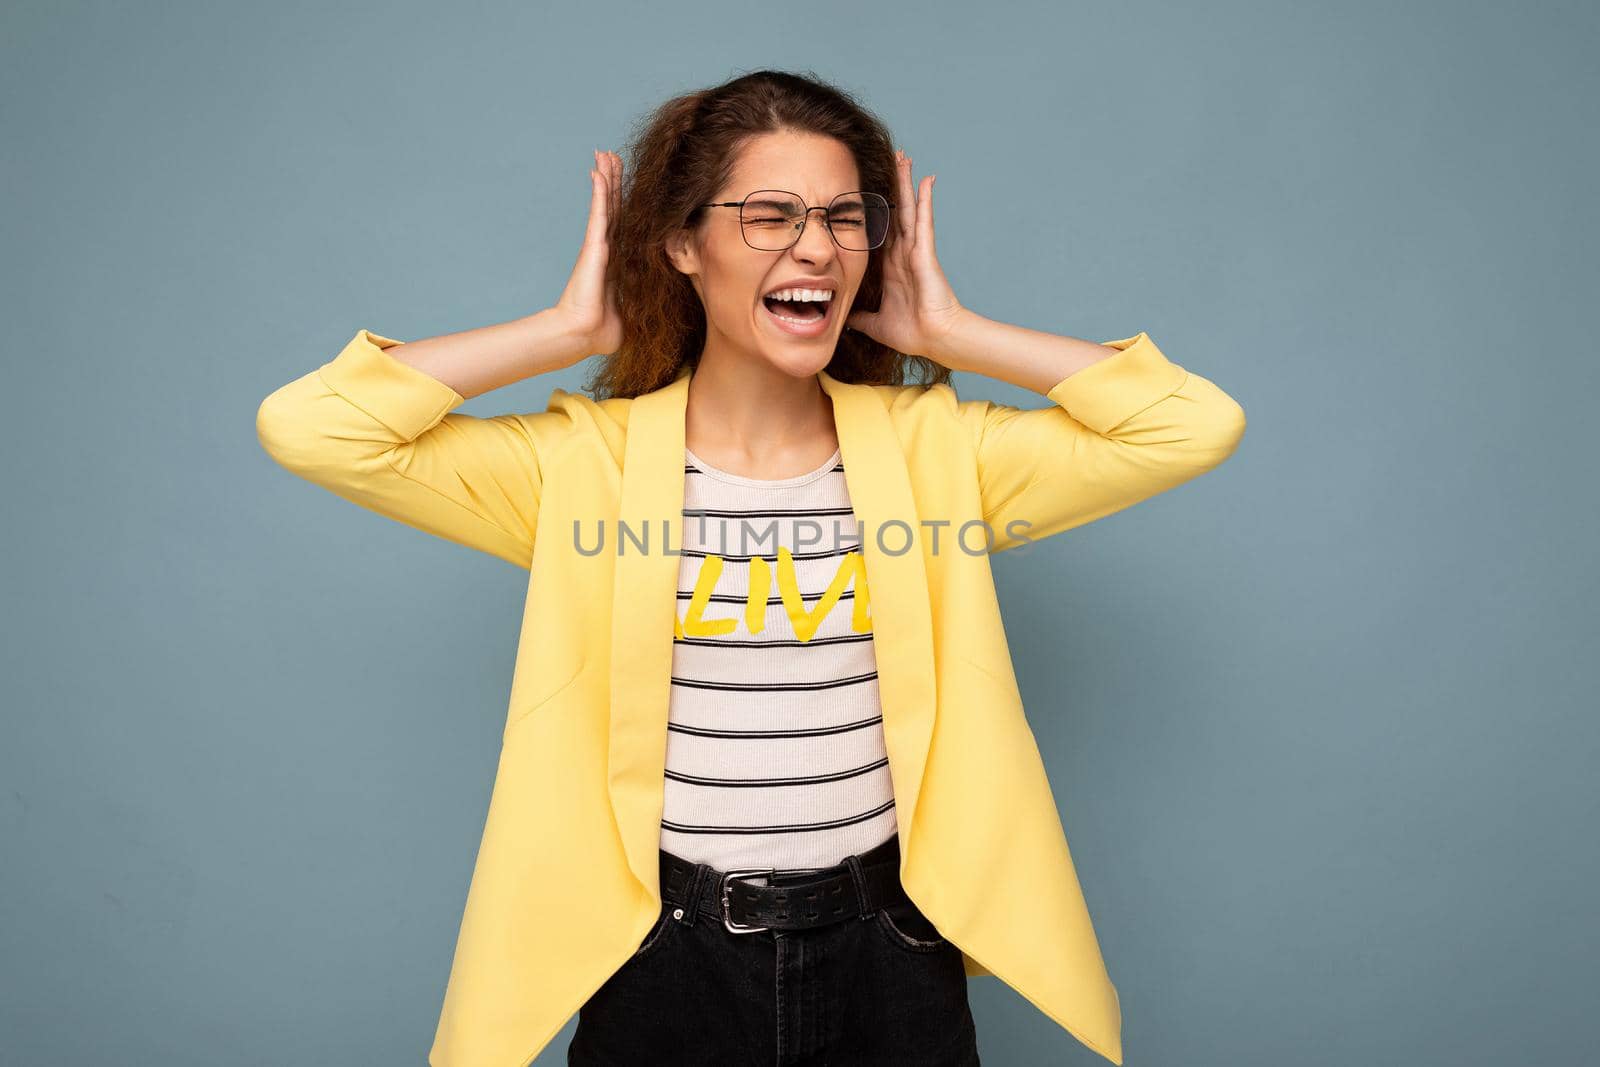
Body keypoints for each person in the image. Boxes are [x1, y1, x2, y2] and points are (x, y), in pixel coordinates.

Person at [257, 69, 1245, 1067]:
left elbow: (1188, 426)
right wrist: (566, 331)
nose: (815, 244)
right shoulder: (581, 468)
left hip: (891, 947)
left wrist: (952, 334)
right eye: (770, 214)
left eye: (844, 218)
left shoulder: (938, 454)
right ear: (683, 242)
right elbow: (316, 428)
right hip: (663, 955)